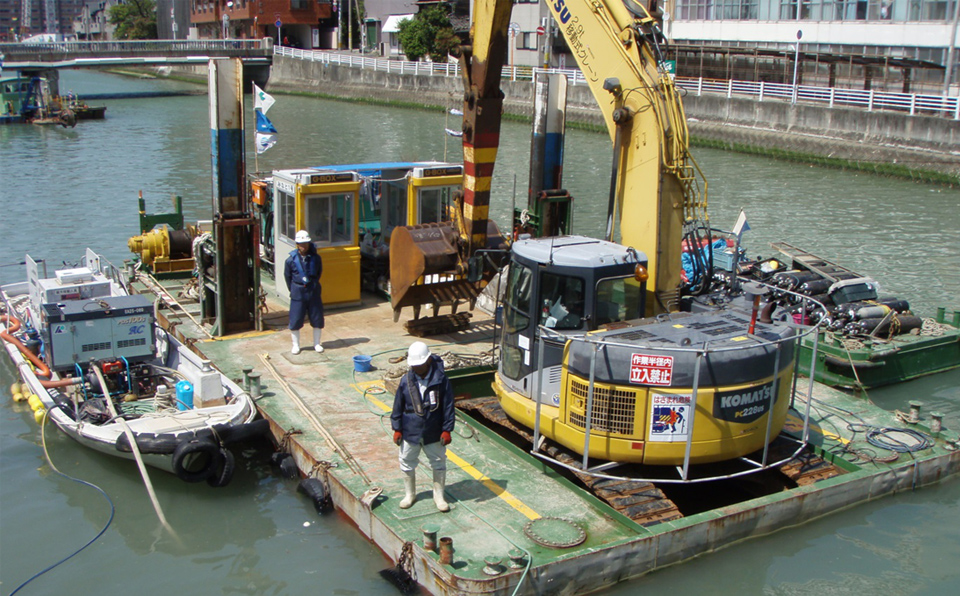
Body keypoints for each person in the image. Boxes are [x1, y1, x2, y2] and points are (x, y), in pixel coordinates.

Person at [390, 341, 455, 511]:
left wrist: (447, 429)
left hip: (433, 430)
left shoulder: (441, 380)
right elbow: (398, 405)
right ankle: (410, 494)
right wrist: (397, 428)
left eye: (419, 365)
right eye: (414, 365)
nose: (416, 368)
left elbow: (448, 405)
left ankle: (439, 496)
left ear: (427, 361)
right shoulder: (406, 380)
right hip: (411, 430)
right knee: (406, 460)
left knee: (438, 461)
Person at [284, 230, 324, 354]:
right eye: (301, 243)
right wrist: (295, 289)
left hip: (313, 290)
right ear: (297, 244)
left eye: (306, 243)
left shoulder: (316, 258)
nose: (304, 246)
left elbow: (319, 273)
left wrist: (312, 284)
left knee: (317, 317)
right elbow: (287, 276)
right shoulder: (290, 260)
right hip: (298, 291)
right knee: (295, 319)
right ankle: (296, 345)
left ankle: (317, 343)